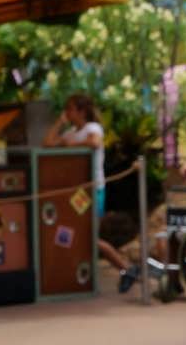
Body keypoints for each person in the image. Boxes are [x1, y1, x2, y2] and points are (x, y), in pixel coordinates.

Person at [48, 93, 133, 282]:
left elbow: (94, 142)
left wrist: (72, 145)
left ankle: (126, 269)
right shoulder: (71, 132)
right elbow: (48, 144)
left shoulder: (92, 128)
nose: (67, 112)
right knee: (76, 232)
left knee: (89, 235)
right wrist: (59, 123)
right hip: (78, 192)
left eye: (70, 109)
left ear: (81, 111)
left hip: (93, 190)